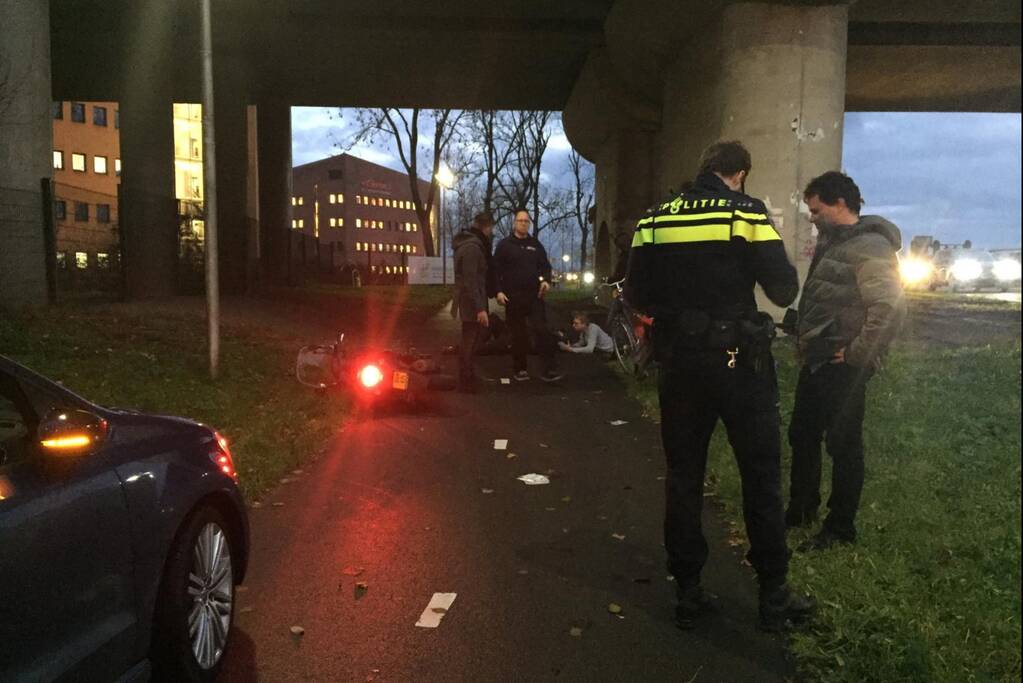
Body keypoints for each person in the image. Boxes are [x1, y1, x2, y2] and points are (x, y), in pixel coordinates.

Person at [624, 140, 815, 632]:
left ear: (704, 169)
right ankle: (773, 595)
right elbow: (783, 290)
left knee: (683, 475)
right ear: (740, 173)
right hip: (739, 364)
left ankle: (688, 592)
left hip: (680, 366)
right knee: (760, 475)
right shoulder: (745, 213)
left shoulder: (655, 219)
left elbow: (636, 293)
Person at [786, 171, 906, 551]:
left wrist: (857, 353)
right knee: (802, 434)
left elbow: (889, 307)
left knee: (843, 444)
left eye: (815, 210)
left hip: (844, 365)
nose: (812, 218)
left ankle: (840, 528)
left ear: (839, 203)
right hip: (819, 358)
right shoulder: (834, 241)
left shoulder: (870, 246)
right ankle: (801, 510)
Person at [493, 209, 564, 382]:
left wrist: (546, 281)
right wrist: (498, 291)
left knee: (542, 330)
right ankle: (520, 369)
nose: (524, 224)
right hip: (513, 297)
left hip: (534, 296)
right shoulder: (504, 245)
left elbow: (545, 267)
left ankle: (549, 369)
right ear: (514, 223)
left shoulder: (535, 245)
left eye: (526, 221)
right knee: (518, 335)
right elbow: (495, 271)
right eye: (520, 221)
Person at [451, 211, 495, 393]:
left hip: (469, 299)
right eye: (491, 228)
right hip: (471, 301)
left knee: (471, 337)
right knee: (470, 339)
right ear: (486, 227)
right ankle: (466, 379)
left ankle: (467, 375)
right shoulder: (473, 248)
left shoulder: (467, 244)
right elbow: (471, 280)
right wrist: (480, 308)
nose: (492, 232)